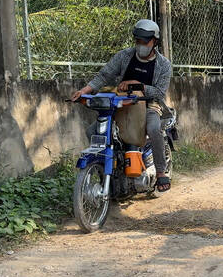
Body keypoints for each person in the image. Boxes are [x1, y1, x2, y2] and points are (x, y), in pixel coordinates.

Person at [70, 19, 172, 192]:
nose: (141, 45)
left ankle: (161, 172)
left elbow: (160, 93)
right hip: (121, 103)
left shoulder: (164, 65)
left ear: (154, 41)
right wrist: (84, 90)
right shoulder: (124, 56)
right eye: (137, 41)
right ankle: (105, 173)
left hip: (148, 105)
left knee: (154, 128)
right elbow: (104, 76)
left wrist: (138, 85)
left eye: (145, 41)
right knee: (93, 131)